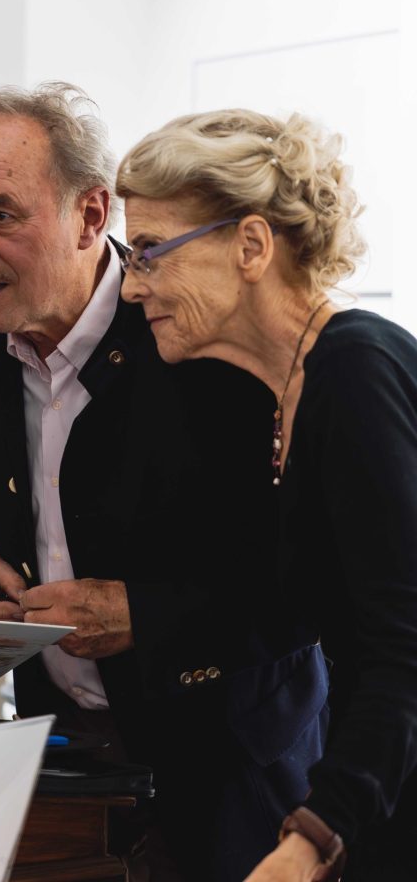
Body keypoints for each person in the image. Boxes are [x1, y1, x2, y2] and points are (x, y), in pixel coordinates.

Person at [0, 83, 329, 881]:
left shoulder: (202, 326)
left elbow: (310, 585)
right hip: (64, 755)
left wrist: (141, 615)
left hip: (229, 769)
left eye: (0, 215)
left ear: (91, 216)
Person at [118, 108, 417, 881]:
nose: (129, 286)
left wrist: (311, 839)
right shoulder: (285, 392)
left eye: (150, 253)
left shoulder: (354, 374)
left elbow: (403, 648)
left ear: (250, 246)